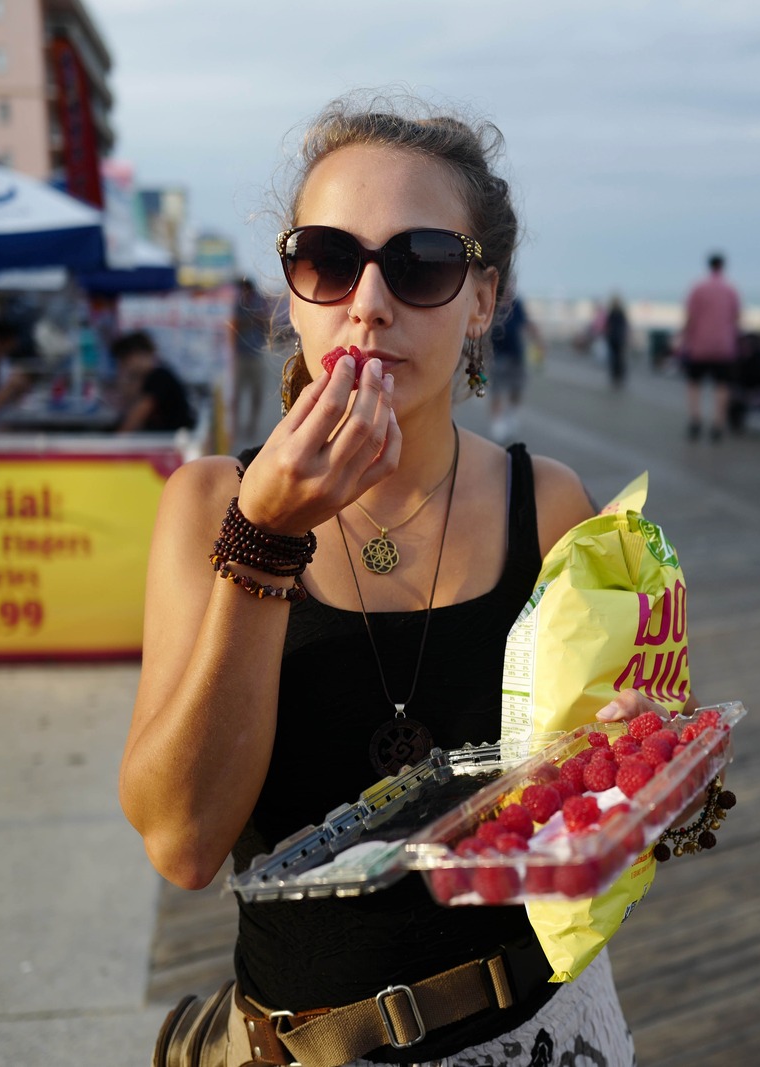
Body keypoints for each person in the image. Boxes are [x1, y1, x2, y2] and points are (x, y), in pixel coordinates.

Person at [119, 97, 668, 1067]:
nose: (367, 302)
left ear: (483, 298)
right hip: (303, 1043)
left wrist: (649, 759)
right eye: (328, 260)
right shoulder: (209, 502)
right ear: (292, 293)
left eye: (420, 264)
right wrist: (267, 536)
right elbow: (184, 840)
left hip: (532, 1028)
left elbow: (596, 793)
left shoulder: (548, 505)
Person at [677, 252, 741, 441]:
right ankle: (718, 423)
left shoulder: (698, 288)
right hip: (724, 346)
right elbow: (736, 318)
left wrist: (684, 338)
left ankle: (695, 419)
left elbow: (690, 317)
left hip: (699, 345)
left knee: (694, 384)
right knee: (721, 386)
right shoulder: (730, 290)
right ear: (723, 266)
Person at [112, 330, 196, 433]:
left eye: (124, 360)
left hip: (171, 442)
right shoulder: (153, 377)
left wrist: (115, 441)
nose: (123, 367)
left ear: (138, 354)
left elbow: (136, 417)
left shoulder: (159, 376)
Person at [487, 285, 540, 441]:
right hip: (496, 355)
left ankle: (511, 414)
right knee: (496, 391)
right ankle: (496, 423)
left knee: (517, 388)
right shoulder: (492, 303)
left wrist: (538, 340)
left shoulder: (517, 304)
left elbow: (526, 323)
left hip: (516, 354)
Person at [233, 277, 273, 440]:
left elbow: (266, 322)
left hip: (255, 353)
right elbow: (234, 325)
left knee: (256, 392)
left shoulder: (258, 301)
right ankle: (235, 426)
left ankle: (252, 425)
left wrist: (249, 321)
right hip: (240, 354)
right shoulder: (236, 303)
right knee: (237, 393)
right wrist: (251, 320)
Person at [604, 293, 629, 389]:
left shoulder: (615, 313)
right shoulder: (616, 313)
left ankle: (618, 375)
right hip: (616, 338)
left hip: (616, 338)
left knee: (617, 358)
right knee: (617, 358)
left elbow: (609, 325)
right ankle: (617, 375)